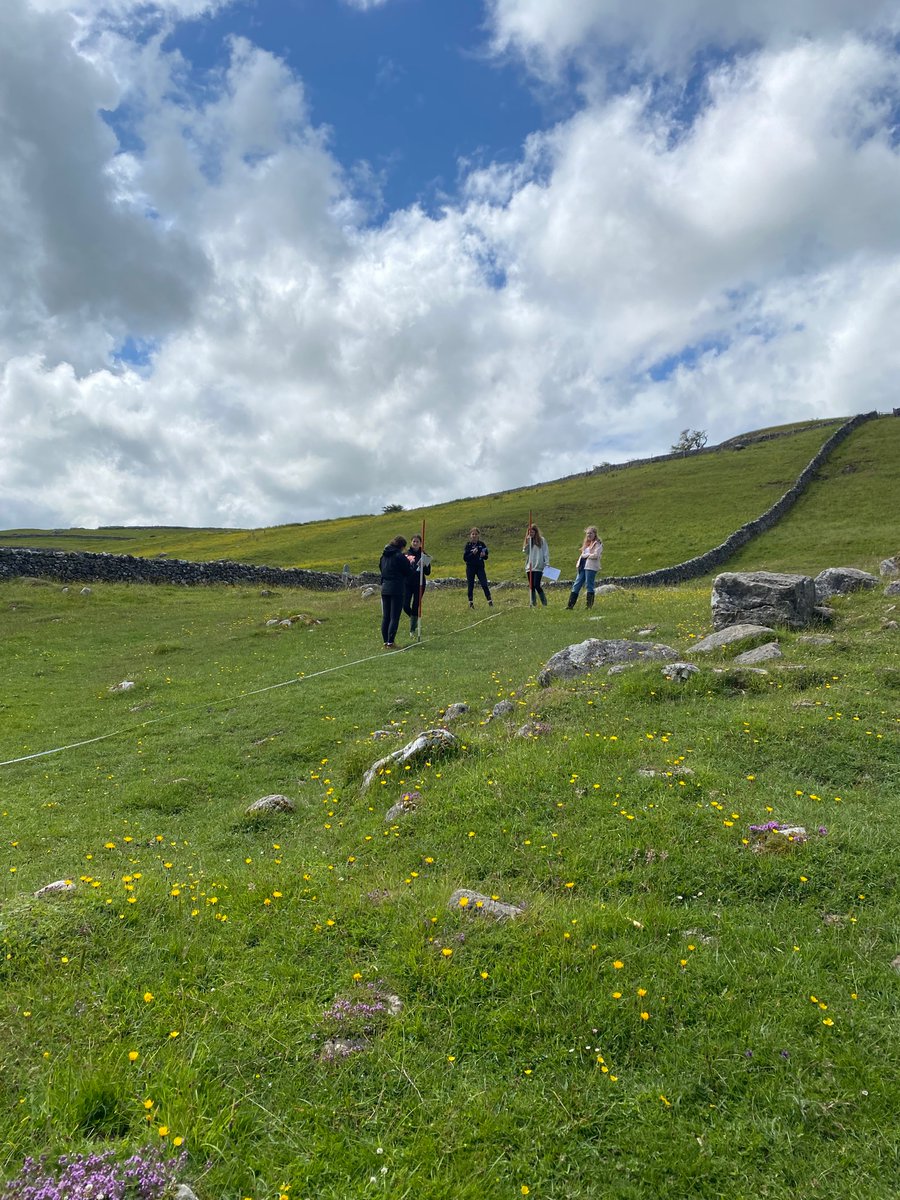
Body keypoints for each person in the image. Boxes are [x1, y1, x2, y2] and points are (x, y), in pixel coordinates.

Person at [379, 535, 415, 647]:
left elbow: (381, 569)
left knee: (386, 617)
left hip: (385, 587)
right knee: (394, 617)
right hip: (396, 588)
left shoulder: (384, 556)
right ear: (402, 546)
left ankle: (385, 641)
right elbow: (408, 572)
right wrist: (411, 562)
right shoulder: (399, 556)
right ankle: (391, 642)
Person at [566, 526, 603, 610]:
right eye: (587, 533)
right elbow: (582, 555)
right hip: (582, 566)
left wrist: (586, 555)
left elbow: (596, 555)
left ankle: (589, 606)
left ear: (595, 534)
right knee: (577, 584)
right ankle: (570, 605)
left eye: (591, 533)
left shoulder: (598, 544)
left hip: (590, 567)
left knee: (589, 585)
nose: (589, 535)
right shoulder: (586, 544)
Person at [403, 533, 431, 634]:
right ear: (411, 542)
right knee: (405, 605)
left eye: (417, 541)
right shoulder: (406, 554)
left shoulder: (424, 555)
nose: (415, 543)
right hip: (407, 583)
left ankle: (412, 630)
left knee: (416, 605)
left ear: (420, 543)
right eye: (413, 541)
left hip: (419, 583)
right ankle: (413, 618)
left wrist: (424, 566)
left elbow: (428, 572)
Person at [463, 527, 493, 608]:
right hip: (470, 567)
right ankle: (471, 603)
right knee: (470, 585)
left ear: (478, 535)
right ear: (470, 535)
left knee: (484, 584)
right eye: (473, 534)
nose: (474, 536)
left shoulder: (482, 544)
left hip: (480, 567)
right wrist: (472, 553)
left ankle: (490, 602)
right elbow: (465, 558)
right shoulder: (468, 545)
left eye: (476, 534)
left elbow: (486, 557)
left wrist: (484, 555)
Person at [522, 523, 550, 606]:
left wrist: (547, 563)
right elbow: (525, 552)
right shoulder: (528, 541)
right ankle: (533, 603)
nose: (531, 534)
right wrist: (528, 543)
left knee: (536, 585)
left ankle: (544, 603)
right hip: (529, 566)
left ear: (536, 532)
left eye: (532, 532)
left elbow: (546, 552)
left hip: (538, 565)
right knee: (531, 586)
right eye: (529, 532)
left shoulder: (542, 540)